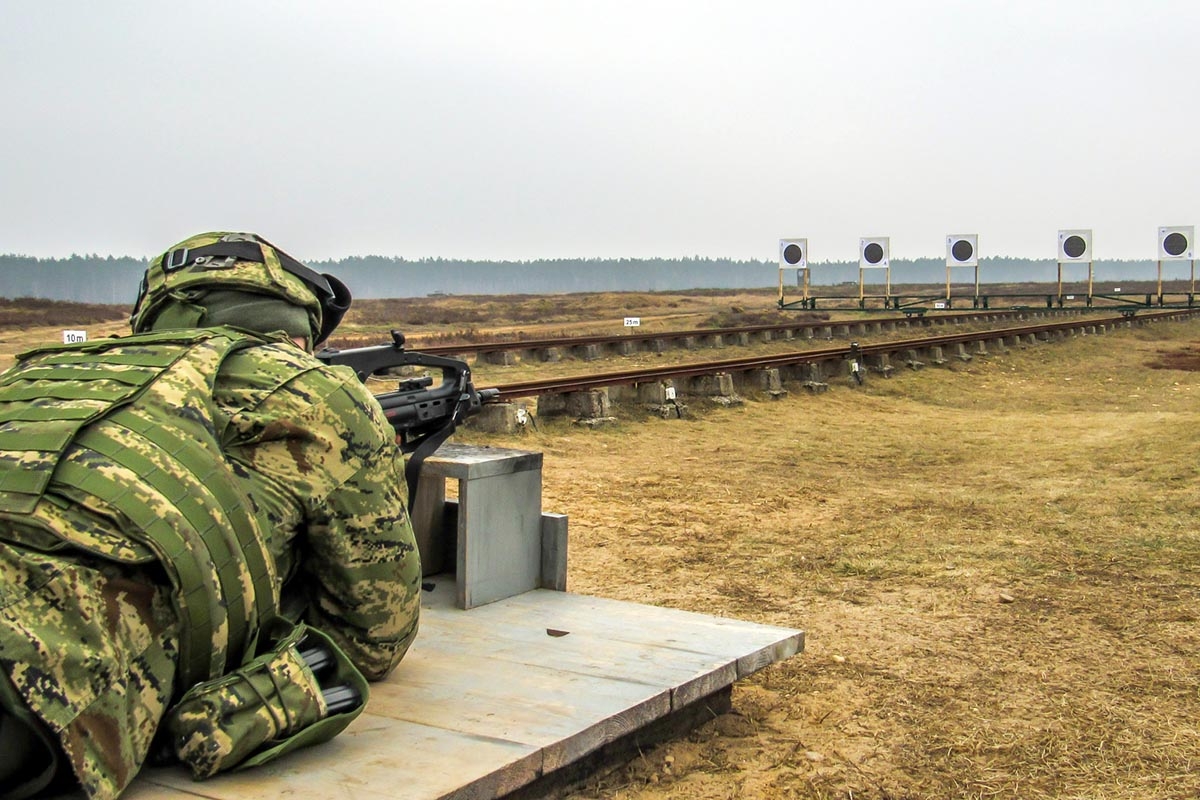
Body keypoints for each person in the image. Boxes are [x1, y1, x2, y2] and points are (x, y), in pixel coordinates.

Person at [0, 232, 421, 799]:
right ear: (297, 332)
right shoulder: (316, 393)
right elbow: (375, 637)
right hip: (34, 679)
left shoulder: (34, 375)